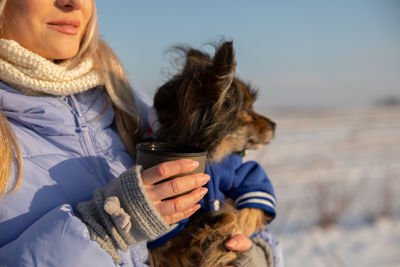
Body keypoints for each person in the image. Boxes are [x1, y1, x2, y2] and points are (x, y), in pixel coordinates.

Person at [0, 0, 280, 266]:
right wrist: (105, 228)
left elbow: (242, 212)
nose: (73, 2)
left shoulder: (131, 105)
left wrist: (252, 256)